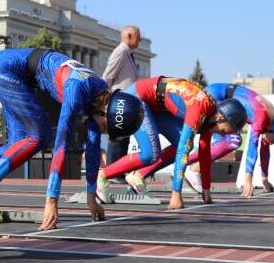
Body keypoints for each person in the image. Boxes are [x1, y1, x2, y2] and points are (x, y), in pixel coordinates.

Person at [0, 48, 144, 230]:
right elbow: (61, 146)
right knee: (39, 137)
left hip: (9, 70)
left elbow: (92, 150)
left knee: (18, 144)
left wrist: (92, 198)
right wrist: (51, 202)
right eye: (106, 127)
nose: (103, 131)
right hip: (6, 70)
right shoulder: (76, 90)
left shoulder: (99, 95)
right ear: (105, 112)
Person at [97, 77, 248, 209]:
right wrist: (176, 194)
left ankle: (137, 175)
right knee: (151, 153)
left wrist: (206, 189)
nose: (221, 134)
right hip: (138, 98)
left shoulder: (211, 117)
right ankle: (102, 175)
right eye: (223, 132)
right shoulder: (200, 108)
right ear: (221, 117)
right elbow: (184, 150)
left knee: (178, 146)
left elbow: (204, 153)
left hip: (157, 106)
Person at [123, 83, 274, 197]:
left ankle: (151, 172)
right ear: (273, 130)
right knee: (231, 141)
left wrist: (264, 179)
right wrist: (248, 178)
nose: (272, 144)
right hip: (216, 98)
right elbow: (254, 145)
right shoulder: (263, 116)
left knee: (188, 145)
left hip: (221, 96)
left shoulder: (270, 117)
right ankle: (192, 170)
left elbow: (263, 148)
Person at [103, 26, 142, 170]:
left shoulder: (128, 53)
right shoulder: (120, 52)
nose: (140, 40)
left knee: (123, 138)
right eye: (138, 37)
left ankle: (118, 171)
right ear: (129, 36)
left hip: (126, 103)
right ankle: (113, 171)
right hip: (118, 103)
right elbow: (108, 76)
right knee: (118, 137)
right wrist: (105, 101)